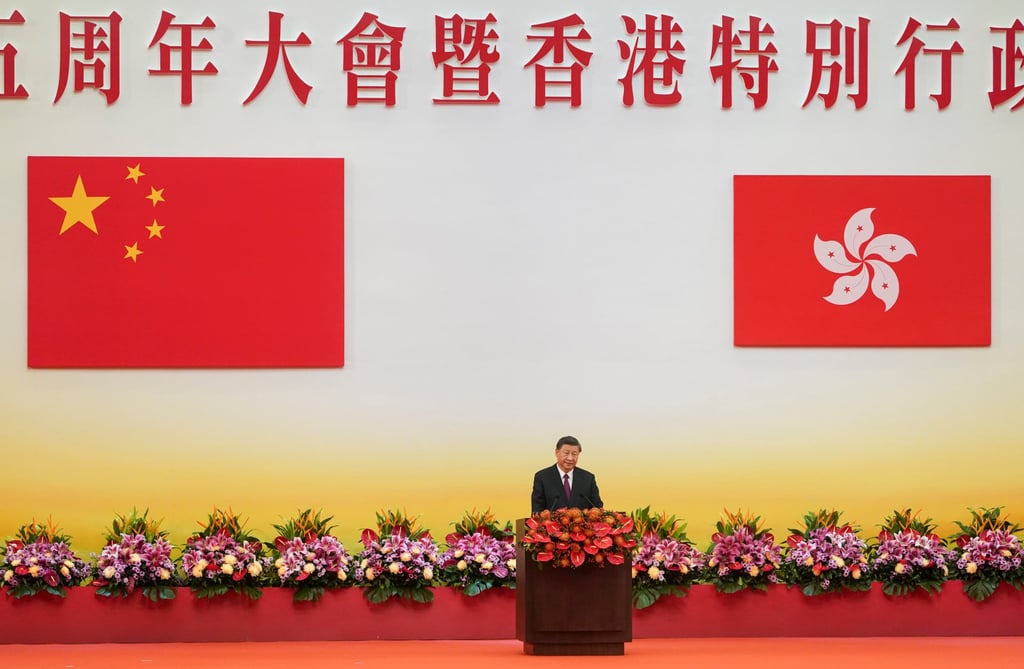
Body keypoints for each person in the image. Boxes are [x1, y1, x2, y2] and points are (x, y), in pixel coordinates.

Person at [531, 435, 604, 513]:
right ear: (556, 452)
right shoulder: (542, 477)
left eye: (574, 454)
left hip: (582, 524)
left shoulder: (588, 478)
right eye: (566, 453)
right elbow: (537, 511)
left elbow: (597, 508)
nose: (570, 458)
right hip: (551, 524)